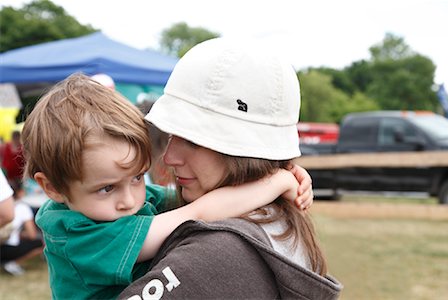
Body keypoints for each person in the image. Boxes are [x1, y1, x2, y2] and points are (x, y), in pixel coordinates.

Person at [21, 73, 313, 299]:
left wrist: (279, 170)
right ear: (52, 188)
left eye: (137, 177)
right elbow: (200, 211)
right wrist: (276, 182)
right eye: (106, 188)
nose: (130, 201)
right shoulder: (81, 235)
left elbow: (200, 202)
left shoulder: (110, 203)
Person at [120, 38, 342, 299]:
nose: (169, 158)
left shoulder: (214, 254)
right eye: (171, 136)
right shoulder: (277, 223)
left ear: (242, 152)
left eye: (193, 141)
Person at [0, 181, 44, 276]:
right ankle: (13, 263)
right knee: (41, 243)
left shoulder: (2, 207)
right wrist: (20, 234)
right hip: (10, 249)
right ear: (20, 192)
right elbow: (32, 235)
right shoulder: (22, 208)